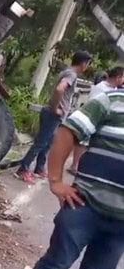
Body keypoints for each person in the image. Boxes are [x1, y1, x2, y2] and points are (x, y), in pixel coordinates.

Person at [9, 90, 124, 269]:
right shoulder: (112, 101)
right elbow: (68, 130)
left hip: (120, 225)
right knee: (55, 264)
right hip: (84, 206)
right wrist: (56, 181)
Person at [15, 51, 92, 184]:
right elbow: (59, 89)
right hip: (53, 114)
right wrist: (56, 108)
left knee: (48, 143)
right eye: (88, 63)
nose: (88, 66)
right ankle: (23, 169)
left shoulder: (68, 72)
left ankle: (39, 168)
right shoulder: (71, 74)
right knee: (41, 142)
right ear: (83, 63)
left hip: (54, 115)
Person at [69, 66, 124, 174]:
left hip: (101, 121)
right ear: (118, 77)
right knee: (83, 143)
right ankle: (75, 165)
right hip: (93, 119)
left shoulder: (113, 89)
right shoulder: (102, 87)